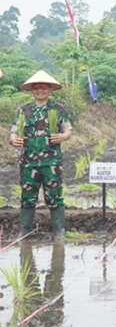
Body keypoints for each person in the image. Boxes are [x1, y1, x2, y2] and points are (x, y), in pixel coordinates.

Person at [9, 70, 72, 239]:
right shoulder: (24, 111)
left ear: (50, 89)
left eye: (44, 87)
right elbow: (13, 132)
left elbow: (68, 130)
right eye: (36, 87)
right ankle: (24, 231)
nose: (40, 90)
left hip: (51, 162)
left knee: (55, 197)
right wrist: (13, 140)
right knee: (27, 197)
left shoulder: (58, 109)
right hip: (28, 163)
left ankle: (59, 231)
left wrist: (63, 137)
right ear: (32, 90)